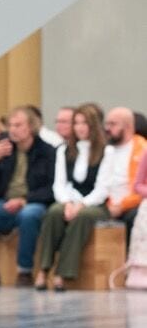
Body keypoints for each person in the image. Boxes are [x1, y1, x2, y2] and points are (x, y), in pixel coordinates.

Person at [0, 105, 56, 285]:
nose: (12, 130)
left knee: (29, 215)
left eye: (18, 125)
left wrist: (24, 200)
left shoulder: (48, 152)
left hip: (33, 202)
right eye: (10, 125)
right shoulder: (6, 148)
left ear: (31, 127)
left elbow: (51, 189)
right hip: (5, 202)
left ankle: (25, 271)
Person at [35, 103, 114, 290]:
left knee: (83, 217)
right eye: (76, 123)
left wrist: (81, 205)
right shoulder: (64, 150)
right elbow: (59, 184)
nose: (79, 127)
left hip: (95, 204)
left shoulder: (106, 151)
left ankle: (63, 272)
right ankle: (43, 269)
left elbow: (103, 188)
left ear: (94, 125)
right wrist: (67, 203)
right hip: (69, 200)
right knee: (54, 212)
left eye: (84, 123)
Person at [102, 107, 147, 248]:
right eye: (106, 124)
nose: (107, 128)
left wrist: (122, 206)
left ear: (128, 126)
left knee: (135, 216)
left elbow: (139, 187)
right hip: (106, 202)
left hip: (133, 204)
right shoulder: (105, 149)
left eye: (113, 124)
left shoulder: (142, 148)